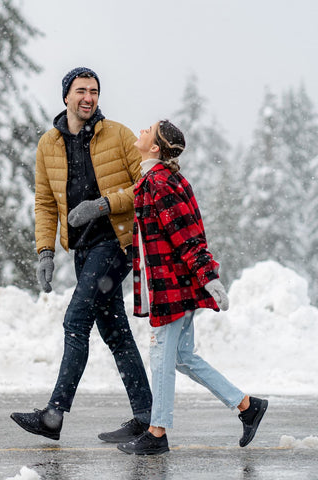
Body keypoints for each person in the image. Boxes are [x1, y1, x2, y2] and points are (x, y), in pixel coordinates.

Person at [10, 67, 152, 442]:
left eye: (94, 91)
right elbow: (44, 203)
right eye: (81, 90)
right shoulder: (48, 145)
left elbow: (147, 188)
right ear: (66, 97)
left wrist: (103, 205)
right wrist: (44, 251)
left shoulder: (118, 135)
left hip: (117, 243)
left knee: (76, 320)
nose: (88, 97)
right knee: (114, 331)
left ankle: (54, 414)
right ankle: (146, 416)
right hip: (83, 250)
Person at [117, 120, 268, 455]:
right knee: (182, 358)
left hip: (171, 286)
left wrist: (208, 275)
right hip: (174, 284)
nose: (141, 130)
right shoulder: (157, 179)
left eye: (148, 129)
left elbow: (186, 234)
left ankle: (157, 433)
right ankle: (246, 406)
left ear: (155, 147)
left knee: (160, 357)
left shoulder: (160, 182)